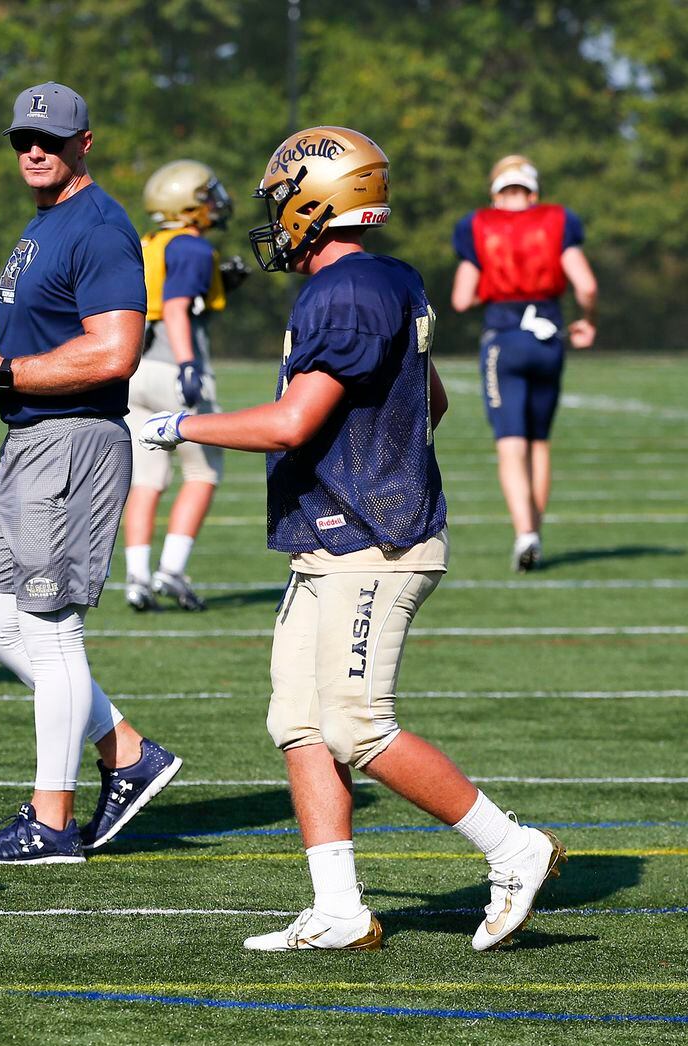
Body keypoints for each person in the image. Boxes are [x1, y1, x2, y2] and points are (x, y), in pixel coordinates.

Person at [140, 126, 566, 951]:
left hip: (374, 534)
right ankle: (337, 907)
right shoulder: (387, 279)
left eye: (281, 202)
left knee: (357, 723)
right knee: (298, 720)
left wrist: (178, 422)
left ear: (317, 201)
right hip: (336, 531)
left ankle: (515, 849)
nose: (274, 220)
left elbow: (292, 421)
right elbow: (431, 400)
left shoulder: (346, 293)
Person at [0, 82, 181, 865]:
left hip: (72, 443)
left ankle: (52, 821)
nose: (33, 149)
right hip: (28, 440)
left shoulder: (101, 227)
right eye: (21, 139)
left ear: (84, 143)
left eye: (50, 137)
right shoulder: (48, 221)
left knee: (49, 627)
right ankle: (128, 752)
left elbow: (114, 352)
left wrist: (3, 375)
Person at [450, 155, 597, 571]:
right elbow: (585, 284)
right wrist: (588, 321)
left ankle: (524, 535)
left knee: (510, 444)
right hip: (549, 337)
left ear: (495, 192)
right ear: (533, 191)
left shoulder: (477, 225)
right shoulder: (558, 220)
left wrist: (496, 291)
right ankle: (537, 534)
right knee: (539, 443)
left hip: (504, 339)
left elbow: (462, 298)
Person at [122, 159, 248, 612]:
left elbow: (161, 298)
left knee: (146, 478)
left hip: (135, 369)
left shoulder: (149, 242)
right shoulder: (193, 247)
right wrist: (189, 365)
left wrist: (218, 292)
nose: (215, 203)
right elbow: (176, 307)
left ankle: (136, 577)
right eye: (207, 195)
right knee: (202, 471)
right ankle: (171, 571)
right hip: (174, 368)